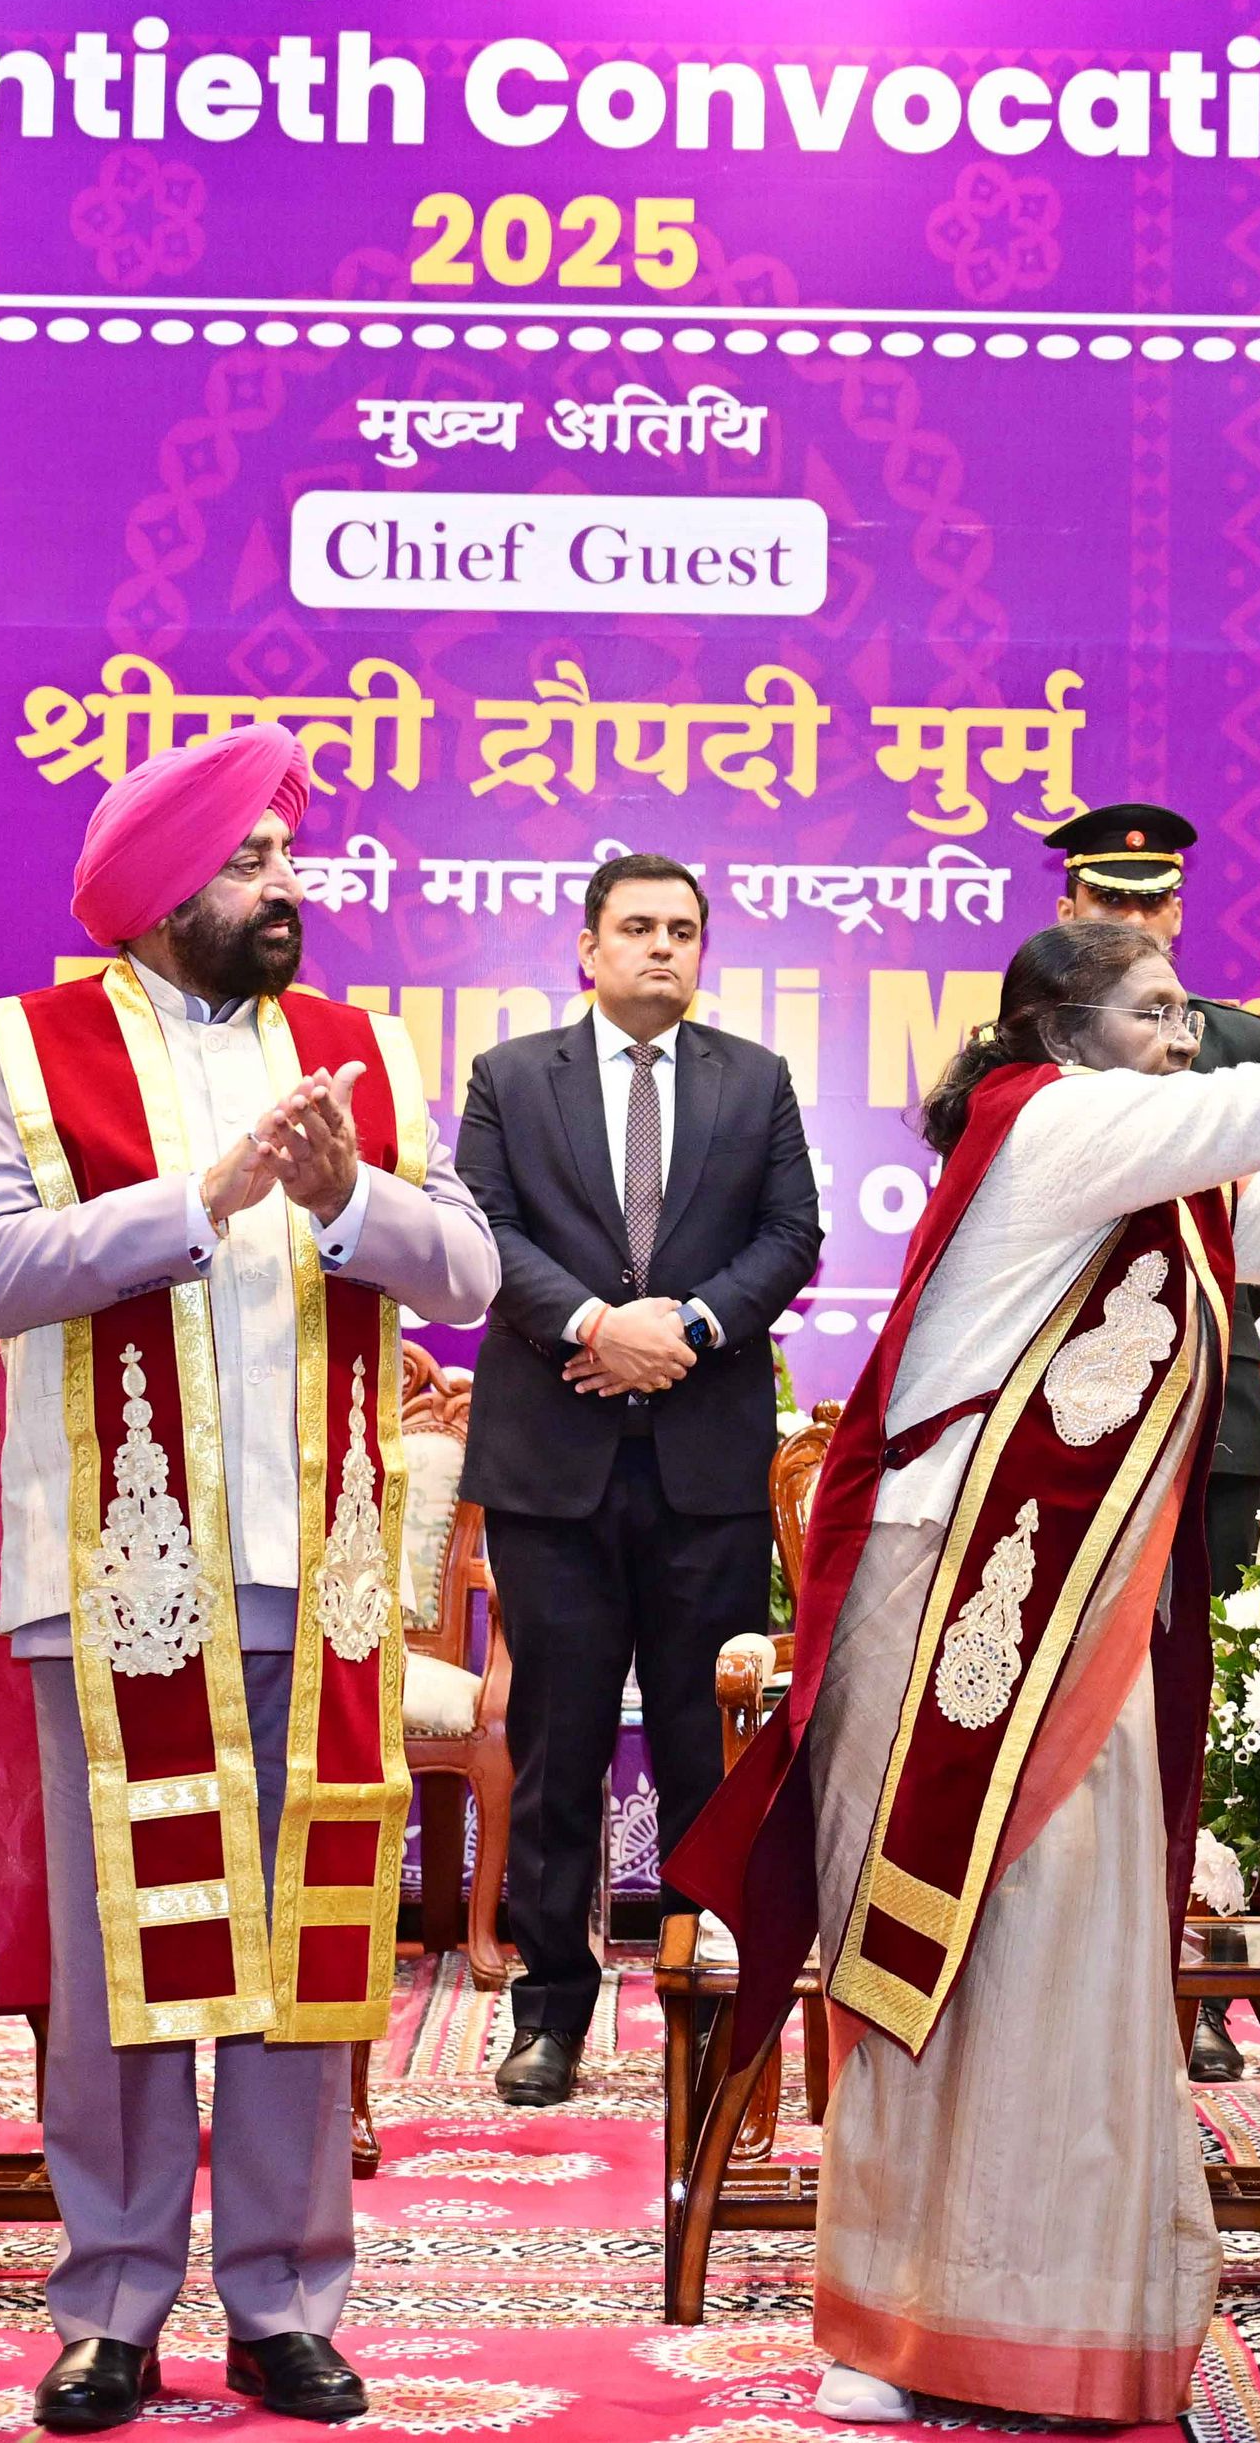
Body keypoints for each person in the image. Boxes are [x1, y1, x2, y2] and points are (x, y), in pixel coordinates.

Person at [672, 924, 1260, 2426]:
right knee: (942, 1953)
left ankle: (1038, 2316)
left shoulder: (1162, 1174)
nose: (1189, 1035)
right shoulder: (1051, 1121)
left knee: (1075, 1954)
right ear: (1063, 1030)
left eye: (1188, 1011)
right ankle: (889, 2321)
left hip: (1079, 1609)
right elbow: (1254, 1110)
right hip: (960, 1595)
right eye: (1158, 1010)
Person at [0, 722, 499, 2435]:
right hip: (111, 1582)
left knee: (305, 1951)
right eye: (248, 859)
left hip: (319, 1584)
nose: (282, 883)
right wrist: (200, 1200)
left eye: (284, 854)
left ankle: (282, 2300)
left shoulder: (360, 1048)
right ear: (161, 888)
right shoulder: (22, 1048)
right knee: (122, 1961)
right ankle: (109, 2306)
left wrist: (345, 1202)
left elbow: (467, 1272)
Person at [457, 851, 822, 2106]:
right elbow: (488, 1231)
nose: (662, 947)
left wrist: (691, 1329)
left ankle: (699, 2000)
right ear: (589, 948)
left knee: (699, 1751)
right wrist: (597, 1327)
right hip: (550, 1464)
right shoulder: (511, 1077)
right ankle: (549, 2011)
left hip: (703, 1468)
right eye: (638, 927)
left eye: (683, 929)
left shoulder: (754, 1079)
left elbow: (792, 1235)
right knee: (557, 1748)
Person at [1046, 798, 1260, 2087]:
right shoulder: (1025, 1046)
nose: (1134, 919)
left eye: (1153, 902)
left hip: (1210, 1414)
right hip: (1067, 1429)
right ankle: (1068, 1972)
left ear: (1179, 913)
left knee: (1213, 1707)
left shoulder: (1241, 1045)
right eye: (1109, 902)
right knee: (1075, 1701)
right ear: (1069, 911)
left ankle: (1201, 1980)